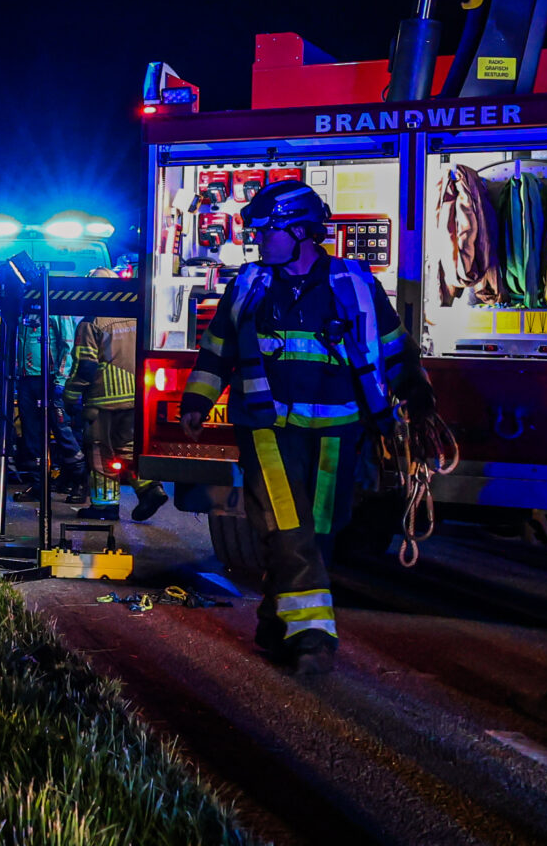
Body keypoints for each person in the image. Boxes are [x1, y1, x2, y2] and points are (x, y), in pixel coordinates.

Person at [180, 180, 436, 675]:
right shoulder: (249, 285)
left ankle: (277, 621)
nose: (257, 241)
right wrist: (197, 399)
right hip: (266, 427)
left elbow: (393, 346)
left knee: (319, 531)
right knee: (288, 526)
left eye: (265, 230)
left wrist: (414, 390)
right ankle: (313, 636)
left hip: (337, 434)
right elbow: (217, 350)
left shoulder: (355, 285)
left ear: (300, 231)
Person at [68, 277, 168, 523]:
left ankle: (105, 507)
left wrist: (70, 394)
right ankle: (150, 489)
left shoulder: (91, 322)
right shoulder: (136, 317)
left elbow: (86, 366)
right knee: (127, 448)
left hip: (104, 400)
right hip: (138, 397)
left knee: (100, 451)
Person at [7, 290, 87, 487]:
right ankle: (38, 483)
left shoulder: (56, 308)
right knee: (31, 433)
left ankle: (79, 481)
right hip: (27, 380)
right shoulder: (23, 309)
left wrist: (60, 380)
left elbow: (67, 346)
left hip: (50, 380)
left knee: (61, 430)